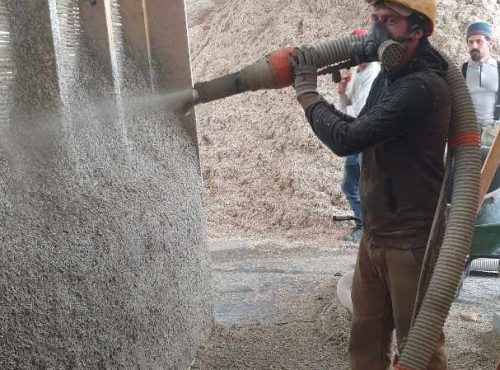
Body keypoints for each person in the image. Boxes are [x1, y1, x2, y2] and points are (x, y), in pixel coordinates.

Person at [291, 0, 449, 369]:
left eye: (390, 20)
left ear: (419, 30)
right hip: (377, 234)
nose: (378, 30)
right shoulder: (388, 77)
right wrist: (332, 98)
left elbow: (348, 139)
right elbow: (359, 126)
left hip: (411, 240)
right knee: (366, 337)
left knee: (420, 347)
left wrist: (308, 94)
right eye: (375, 19)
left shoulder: (423, 87)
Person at [336, 28, 381, 243]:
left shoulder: (374, 73)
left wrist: (348, 110)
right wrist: (342, 92)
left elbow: (363, 109)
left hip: (369, 136)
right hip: (356, 135)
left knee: (368, 185)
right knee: (350, 185)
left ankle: (371, 229)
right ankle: (363, 225)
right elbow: (345, 107)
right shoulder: (356, 72)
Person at [462, 21, 499, 147]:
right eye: (470, 42)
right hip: (468, 130)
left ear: (490, 43)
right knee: (468, 165)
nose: (474, 46)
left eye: (479, 41)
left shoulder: (498, 68)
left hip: (494, 132)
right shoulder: (464, 69)